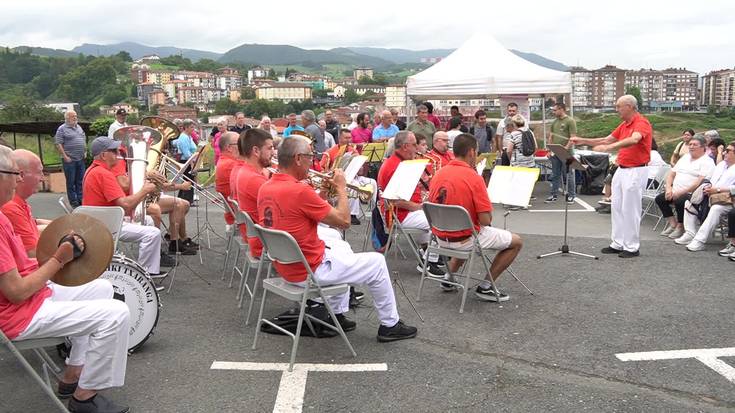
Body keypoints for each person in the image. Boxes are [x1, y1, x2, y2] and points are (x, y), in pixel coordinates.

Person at [0, 145, 131, 413]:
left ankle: (73, 374)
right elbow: (16, 291)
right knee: (116, 313)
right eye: (14, 173)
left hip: (29, 301)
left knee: (100, 289)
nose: (18, 179)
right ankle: (85, 398)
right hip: (16, 316)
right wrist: (60, 258)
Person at [257, 137, 418, 342]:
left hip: (287, 267)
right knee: (377, 263)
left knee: (338, 245)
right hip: (309, 271)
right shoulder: (299, 190)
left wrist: (323, 191)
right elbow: (343, 221)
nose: (312, 161)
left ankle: (336, 315)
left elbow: (307, 208)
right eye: (310, 156)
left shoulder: (267, 187)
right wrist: (341, 189)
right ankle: (390, 325)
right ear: (298, 158)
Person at [428, 134, 523, 301]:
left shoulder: (438, 173)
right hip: (464, 239)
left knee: (464, 229)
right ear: (471, 152)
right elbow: (485, 220)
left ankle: (448, 279)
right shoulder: (474, 178)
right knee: (516, 242)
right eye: (477, 151)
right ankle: (486, 287)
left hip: (440, 237)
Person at [570, 95, 653, 258]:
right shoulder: (624, 125)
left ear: (629, 106)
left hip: (635, 170)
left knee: (630, 209)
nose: (616, 110)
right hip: (622, 169)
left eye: (618, 106)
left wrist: (611, 147)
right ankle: (618, 242)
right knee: (617, 207)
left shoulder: (641, 123)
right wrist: (582, 140)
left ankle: (631, 246)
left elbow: (634, 139)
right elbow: (606, 139)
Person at [83, 136, 167, 276]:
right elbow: (126, 205)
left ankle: (149, 267)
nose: (119, 154)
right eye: (114, 151)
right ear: (104, 155)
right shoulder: (103, 174)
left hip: (102, 219)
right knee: (153, 233)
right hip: (107, 224)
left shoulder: (94, 170)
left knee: (149, 221)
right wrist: (145, 190)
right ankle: (145, 275)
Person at [378, 131, 443, 276]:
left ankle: (427, 251)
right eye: (415, 145)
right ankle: (429, 262)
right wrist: (419, 206)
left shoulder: (399, 162)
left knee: (432, 216)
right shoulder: (395, 166)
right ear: (405, 146)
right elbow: (395, 200)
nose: (417, 149)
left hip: (403, 212)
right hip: (398, 214)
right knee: (438, 221)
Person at [678, 142, 735, 251]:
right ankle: (690, 233)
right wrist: (708, 188)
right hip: (712, 195)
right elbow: (712, 180)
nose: (724, 153)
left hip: (729, 200)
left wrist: (717, 190)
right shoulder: (721, 165)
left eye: (727, 151)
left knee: (716, 209)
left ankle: (699, 241)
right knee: (689, 202)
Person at [656, 135, 714, 240]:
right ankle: (672, 224)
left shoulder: (707, 161)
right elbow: (671, 174)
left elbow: (699, 182)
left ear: (702, 147)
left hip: (693, 194)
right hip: (675, 190)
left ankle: (680, 226)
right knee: (660, 198)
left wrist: (681, 192)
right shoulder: (685, 157)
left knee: (680, 200)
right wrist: (668, 188)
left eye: (695, 145)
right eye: (690, 144)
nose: (691, 146)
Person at [1, 150, 52, 257]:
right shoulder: (11, 207)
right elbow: (33, 254)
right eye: (39, 172)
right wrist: (61, 257)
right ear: (21, 175)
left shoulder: (19, 203)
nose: (42, 178)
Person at [235, 129, 275, 258]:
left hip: (262, 238)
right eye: (270, 148)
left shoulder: (248, 172)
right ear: (256, 151)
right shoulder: (254, 179)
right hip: (267, 244)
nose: (273, 153)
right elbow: (288, 209)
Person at [545, 103, 578, 204]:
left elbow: (573, 138)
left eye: (555, 110)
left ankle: (572, 195)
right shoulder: (554, 122)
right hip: (555, 153)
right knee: (555, 174)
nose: (553, 112)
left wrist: (565, 149)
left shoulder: (570, 121)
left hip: (567, 153)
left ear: (562, 109)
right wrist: (550, 149)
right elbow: (551, 136)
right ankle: (553, 194)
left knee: (569, 174)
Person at [55, 110, 86, 208]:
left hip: (80, 159)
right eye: (73, 116)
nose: (75, 118)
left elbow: (83, 139)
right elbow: (58, 143)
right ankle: (73, 201)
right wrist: (65, 156)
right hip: (70, 160)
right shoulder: (62, 129)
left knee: (80, 180)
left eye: (76, 116)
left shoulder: (79, 127)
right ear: (67, 118)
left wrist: (84, 151)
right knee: (71, 182)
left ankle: (81, 199)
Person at [215, 131, 243, 230]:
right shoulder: (231, 165)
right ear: (229, 148)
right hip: (241, 213)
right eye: (239, 143)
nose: (242, 146)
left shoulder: (226, 161)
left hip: (236, 211)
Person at [174, 119, 198, 204]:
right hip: (186, 161)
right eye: (191, 127)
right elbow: (186, 153)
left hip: (189, 160)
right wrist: (192, 163)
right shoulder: (183, 137)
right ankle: (187, 200)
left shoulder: (188, 136)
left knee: (188, 180)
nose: (193, 129)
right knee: (188, 180)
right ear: (186, 127)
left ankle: (182, 198)